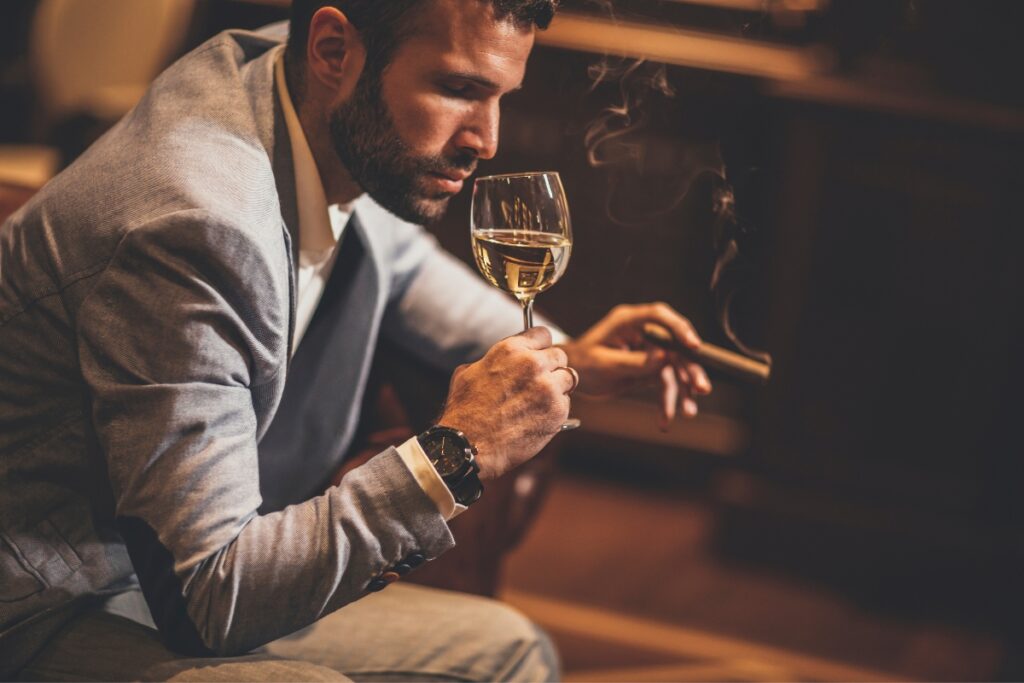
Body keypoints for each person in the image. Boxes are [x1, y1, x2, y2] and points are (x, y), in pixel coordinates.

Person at [0, 0, 712, 679]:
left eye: (500, 95)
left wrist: (569, 355)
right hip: (40, 603)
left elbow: (403, 266)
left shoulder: (316, 94)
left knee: (508, 649)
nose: (486, 140)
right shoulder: (194, 225)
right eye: (460, 88)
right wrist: (451, 455)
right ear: (334, 50)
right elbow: (209, 597)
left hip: (139, 571)